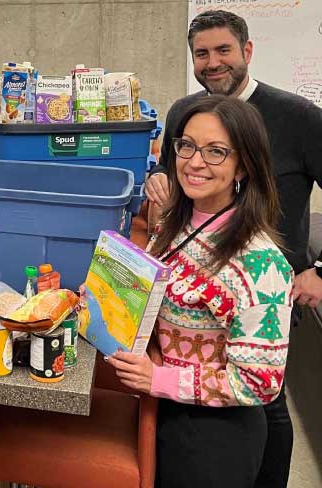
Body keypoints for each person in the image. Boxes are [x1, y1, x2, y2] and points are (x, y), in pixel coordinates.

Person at [144, 10, 322, 486]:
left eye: (223, 50)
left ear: (247, 50)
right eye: (202, 53)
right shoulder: (187, 116)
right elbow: (176, 180)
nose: (212, 62)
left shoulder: (301, 117)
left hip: (264, 296)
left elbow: (252, 383)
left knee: (272, 405)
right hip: (182, 399)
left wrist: (320, 269)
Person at [110, 95, 292, 487]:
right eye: (187, 145)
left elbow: (259, 381)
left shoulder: (262, 264)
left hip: (214, 435)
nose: (194, 161)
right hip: (164, 410)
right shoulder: (176, 222)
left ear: (244, 164)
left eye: (215, 152)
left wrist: (158, 379)